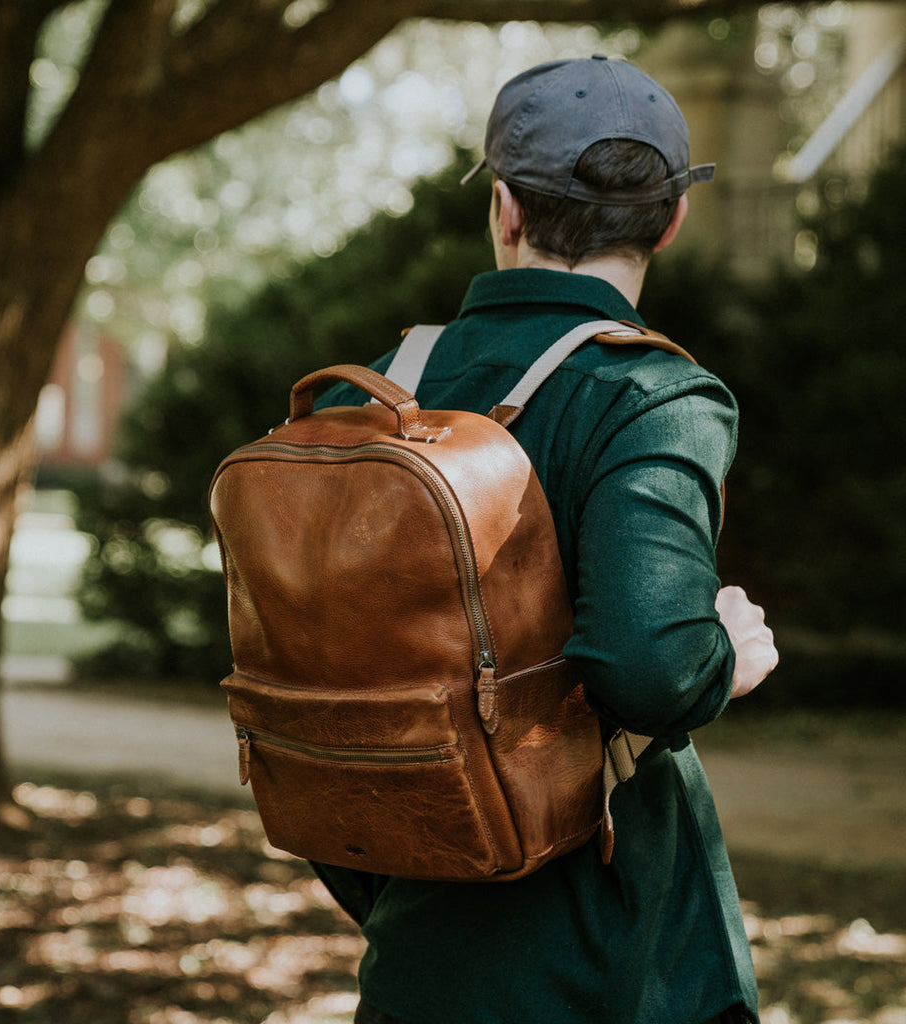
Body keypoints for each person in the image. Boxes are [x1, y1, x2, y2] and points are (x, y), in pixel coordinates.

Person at [313, 55, 779, 1024]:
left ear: (505, 207)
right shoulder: (652, 397)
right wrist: (719, 661)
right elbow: (647, 669)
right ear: (669, 219)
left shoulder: (362, 395)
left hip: (413, 918)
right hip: (603, 934)